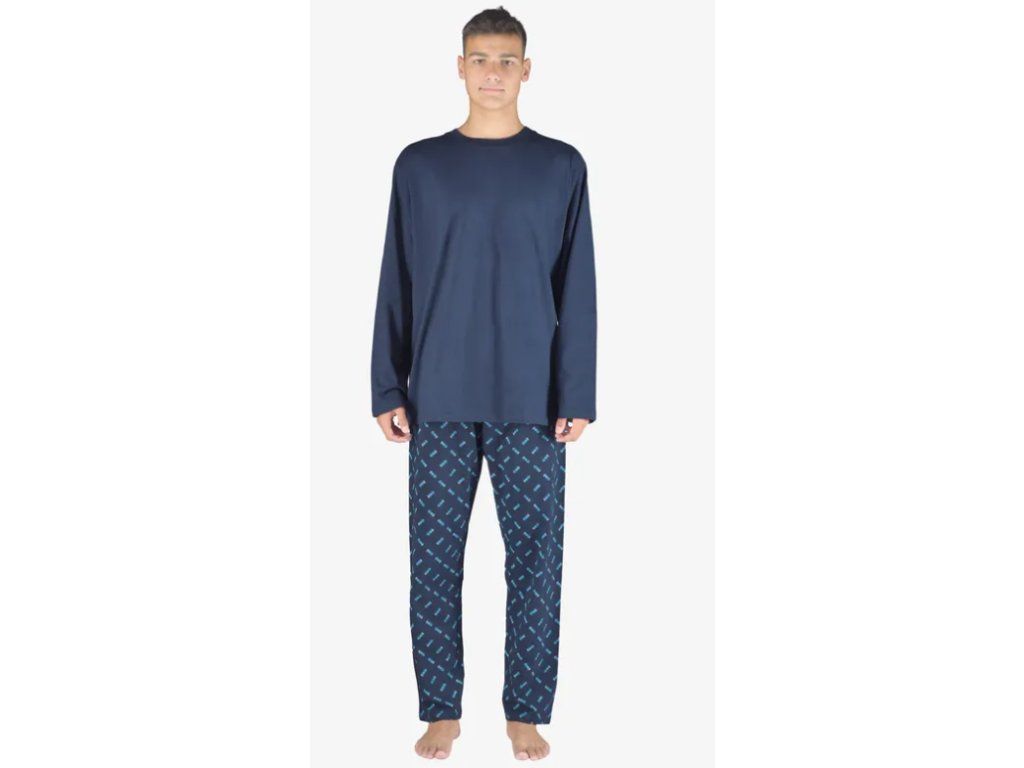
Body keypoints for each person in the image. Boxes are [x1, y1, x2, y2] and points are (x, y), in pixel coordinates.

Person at [369, 6, 597, 761]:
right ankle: (442, 710)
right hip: (437, 396)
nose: (492, 73)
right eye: (479, 59)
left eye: (505, 60)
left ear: (526, 70)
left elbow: (579, 286)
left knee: (536, 560)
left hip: (533, 401)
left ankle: (525, 711)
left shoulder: (561, 166)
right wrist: (387, 386)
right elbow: (396, 279)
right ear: (459, 67)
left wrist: (577, 393)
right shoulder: (419, 166)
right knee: (433, 561)